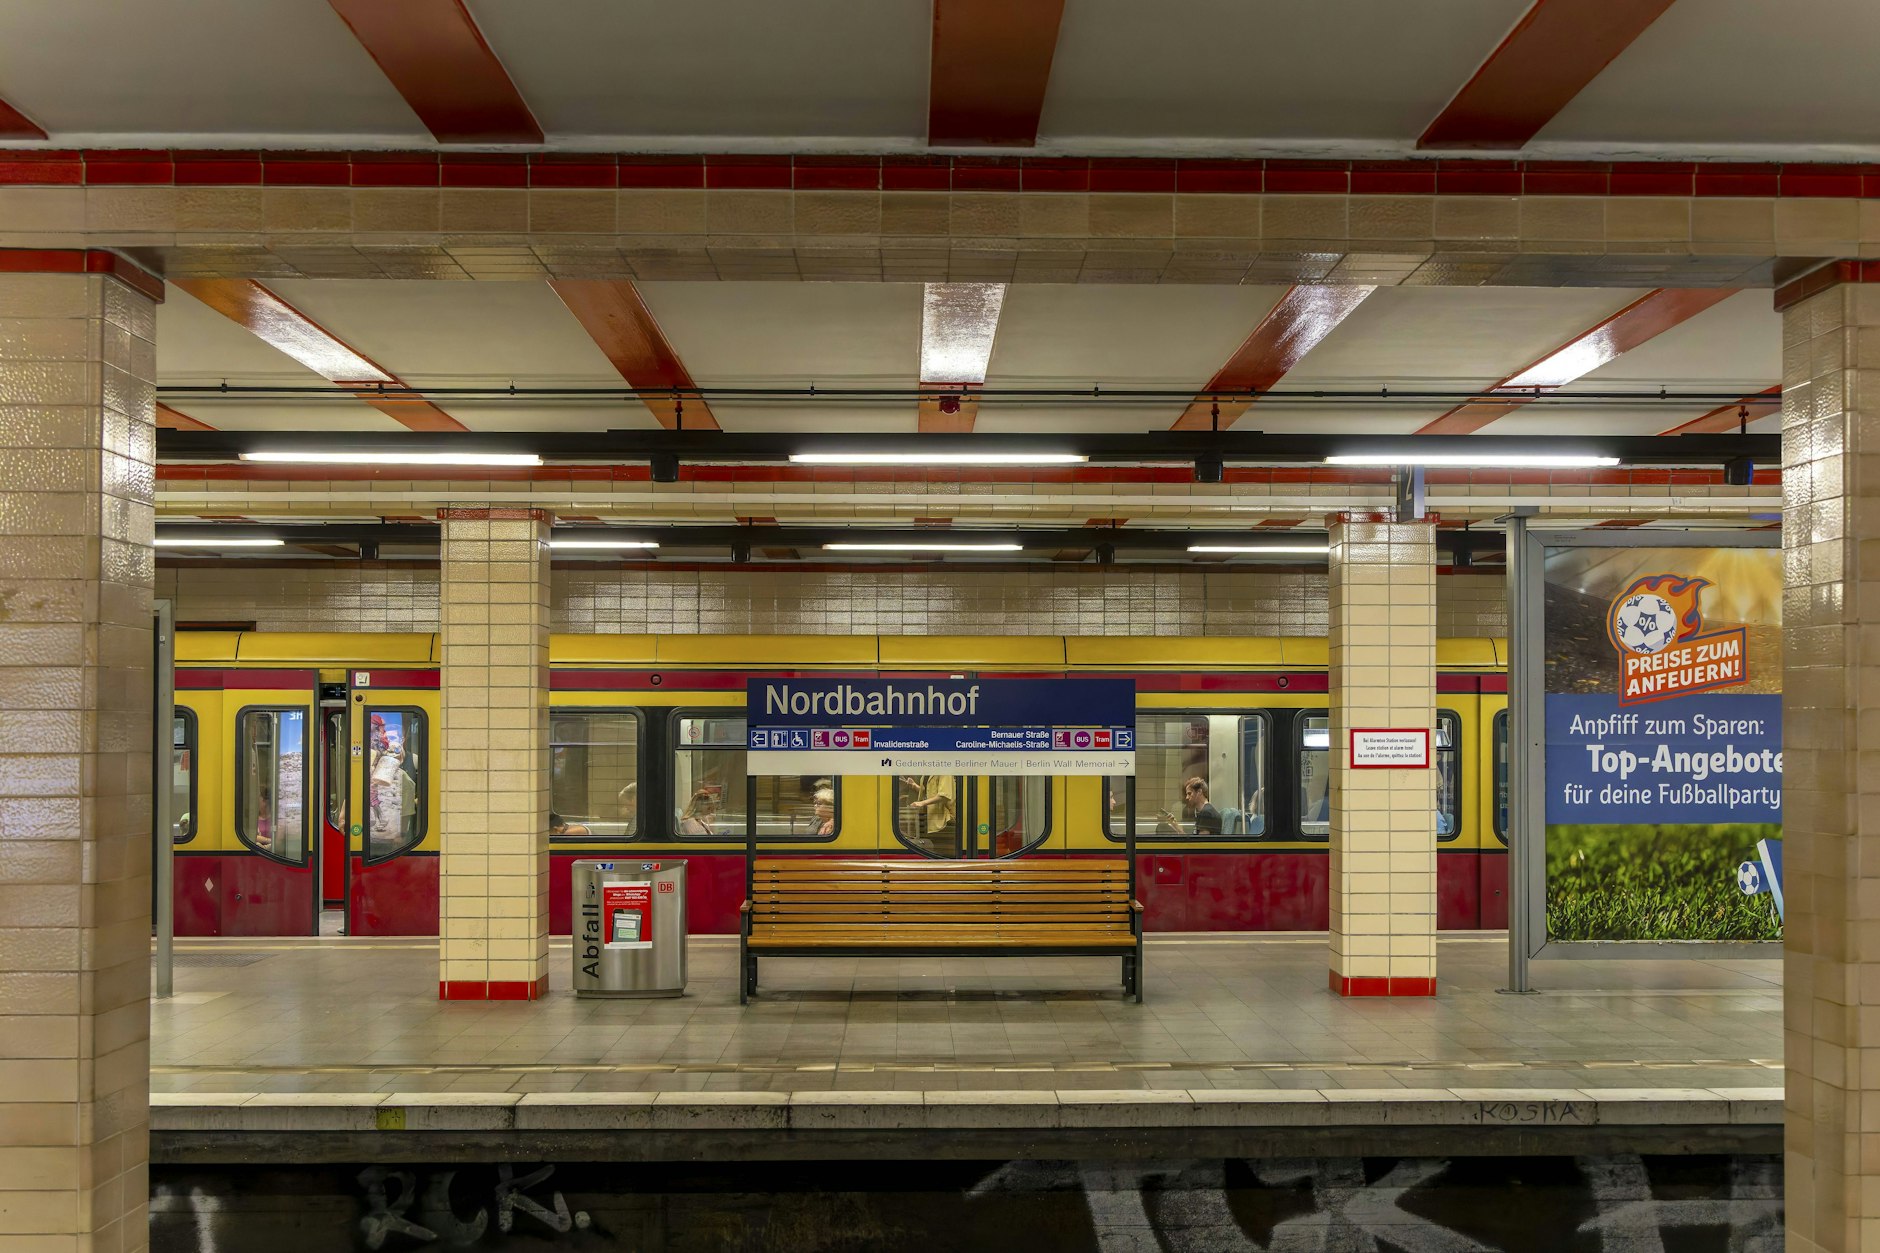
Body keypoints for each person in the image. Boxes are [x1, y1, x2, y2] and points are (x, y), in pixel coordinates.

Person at [901, 774, 956, 855]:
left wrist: (922, 803)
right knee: (936, 849)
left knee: (944, 851)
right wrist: (914, 785)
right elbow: (927, 791)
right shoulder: (929, 772)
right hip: (931, 817)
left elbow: (944, 795)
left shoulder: (944, 772)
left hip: (944, 817)